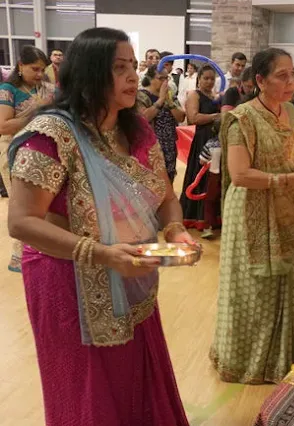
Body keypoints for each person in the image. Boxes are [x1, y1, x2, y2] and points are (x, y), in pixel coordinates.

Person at [6, 27, 192, 425]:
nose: (132, 76)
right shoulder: (51, 136)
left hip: (131, 273)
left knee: (134, 374)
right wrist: (101, 254)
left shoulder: (136, 129)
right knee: (89, 387)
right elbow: (21, 222)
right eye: (119, 67)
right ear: (91, 73)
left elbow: (166, 197)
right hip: (67, 280)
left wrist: (175, 231)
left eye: (132, 65)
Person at [210, 47, 294, 384]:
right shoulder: (241, 119)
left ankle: (281, 360)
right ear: (259, 81)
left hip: (283, 208)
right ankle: (246, 363)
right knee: (255, 289)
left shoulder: (290, 112)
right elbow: (239, 175)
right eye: (282, 75)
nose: (291, 81)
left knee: (284, 282)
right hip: (251, 211)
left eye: (293, 74)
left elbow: (292, 152)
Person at [0, 45, 55, 272]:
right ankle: (19, 255)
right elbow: (3, 126)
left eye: (43, 70)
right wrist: (37, 112)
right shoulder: (8, 90)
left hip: (40, 150)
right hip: (12, 150)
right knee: (21, 203)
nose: (40, 74)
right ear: (20, 66)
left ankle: (37, 252)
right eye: (35, 69)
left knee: (41, 204)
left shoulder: (45, 89)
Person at [180, 65, 221, 235]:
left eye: (212, 78)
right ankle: (197, 218)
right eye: (206, 78)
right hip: (202, 140)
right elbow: (192, 118)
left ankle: (213, 218)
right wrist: (216, 116)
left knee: (214, 180)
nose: (209, 82)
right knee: (200, 177)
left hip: (216, 141)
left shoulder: (216, 96)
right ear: (199, 79)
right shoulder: (194, 95)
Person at [137, 64, 186, 183]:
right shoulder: (142, 95)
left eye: (166, 78)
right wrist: (160, 100)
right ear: (150, 79)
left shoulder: (170, 95)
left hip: (169, 145)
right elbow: (144, 117)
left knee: (169, 180)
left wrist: (168, 101)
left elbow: (181, 117)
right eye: (161, 78)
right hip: (151, 147)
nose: (165, 82)